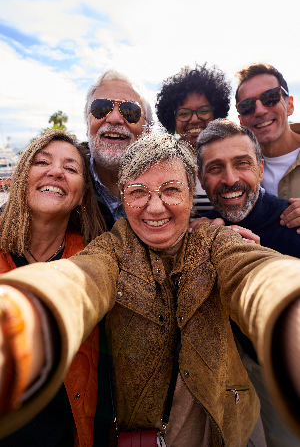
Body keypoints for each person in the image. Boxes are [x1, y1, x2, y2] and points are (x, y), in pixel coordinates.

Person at [2, 136, 300, 446]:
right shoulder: (112, 248)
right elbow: (80, 280)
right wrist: (22, 316)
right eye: (139, 192)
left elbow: (252, 272)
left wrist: (287, 303)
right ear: (123, 196)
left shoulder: (215, 240)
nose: (155, 207)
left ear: (190, 191)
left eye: (170, 190)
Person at [197, 118, 300, 447]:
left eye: (241, 164)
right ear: (201, 178)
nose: (229, 179)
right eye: (215, 168)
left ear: (260, 166)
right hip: (238, 366)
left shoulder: (293, 224)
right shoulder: (202, 228)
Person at [0, 129, 106, 447]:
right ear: (22, 177)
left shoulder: (96, 258)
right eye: (42, 162)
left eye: (71, 168)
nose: (56, 171)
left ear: (82, 193)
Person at [155, 64, 231, 214]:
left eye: (204, 111)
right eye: (184, 113)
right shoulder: (161, 160)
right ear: (173, 120)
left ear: (216, 114)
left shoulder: (233, 152)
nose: (195, 119)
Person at [84, 68, 153, 228]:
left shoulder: (170, 182)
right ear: (87, 124)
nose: (114, 119)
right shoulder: (65, 182)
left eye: (130, 111)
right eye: (101, 108)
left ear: (147, 130)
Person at [235, 63, 300, 231]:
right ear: (241, 120)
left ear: (290, 105)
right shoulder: (237, 170)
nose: (260, 111)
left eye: (270, 97)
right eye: (247, 106)